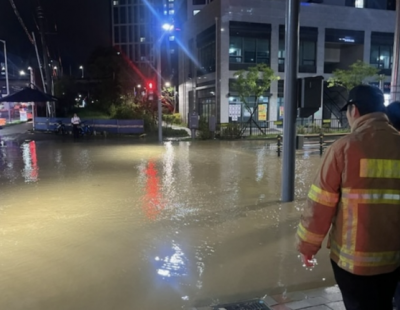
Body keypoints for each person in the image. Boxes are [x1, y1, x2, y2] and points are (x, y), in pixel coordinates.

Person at [295, 85, 400, 310]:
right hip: (394, 259)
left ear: (354, 110)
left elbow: (319, 206)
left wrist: (307, 248)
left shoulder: (343, 149)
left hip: (353, 265)